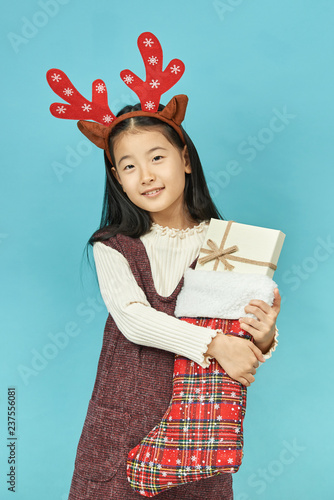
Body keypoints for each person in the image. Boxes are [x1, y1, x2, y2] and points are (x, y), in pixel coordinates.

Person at [66, 102, 280, 500]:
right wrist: (214, 344)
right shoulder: (113, 246)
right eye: (128, 166)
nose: (145, 175)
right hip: (122, 433)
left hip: (200, 438)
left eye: (157, 157)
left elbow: (239, 341)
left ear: (184, 159)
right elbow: (134, 319)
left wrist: (262, 337)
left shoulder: (226, 247)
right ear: (117, 178)